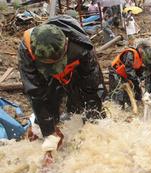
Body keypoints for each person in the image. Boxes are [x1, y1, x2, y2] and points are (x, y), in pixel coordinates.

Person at [18, 16, 106, 151]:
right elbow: (36, 92)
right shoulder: (26, 49)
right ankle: (47, 133)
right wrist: (49, 131)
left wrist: (92, 127)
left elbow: (92, 86)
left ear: (66, 45)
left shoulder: (81, 46)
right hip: (47, 77)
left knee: (86, 104)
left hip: (76, 69)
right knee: (49, 104)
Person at [109, 41, 150, 106]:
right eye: (145, 50)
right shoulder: (130, 54)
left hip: (125, 74)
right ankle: (117, 108)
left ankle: (133, 104)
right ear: (140, 48)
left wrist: (142, 79)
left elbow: (139, 70)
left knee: (134, 89)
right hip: (116, 72)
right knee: (118, 92)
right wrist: (137, 81)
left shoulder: (141, 57)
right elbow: (129, 69)